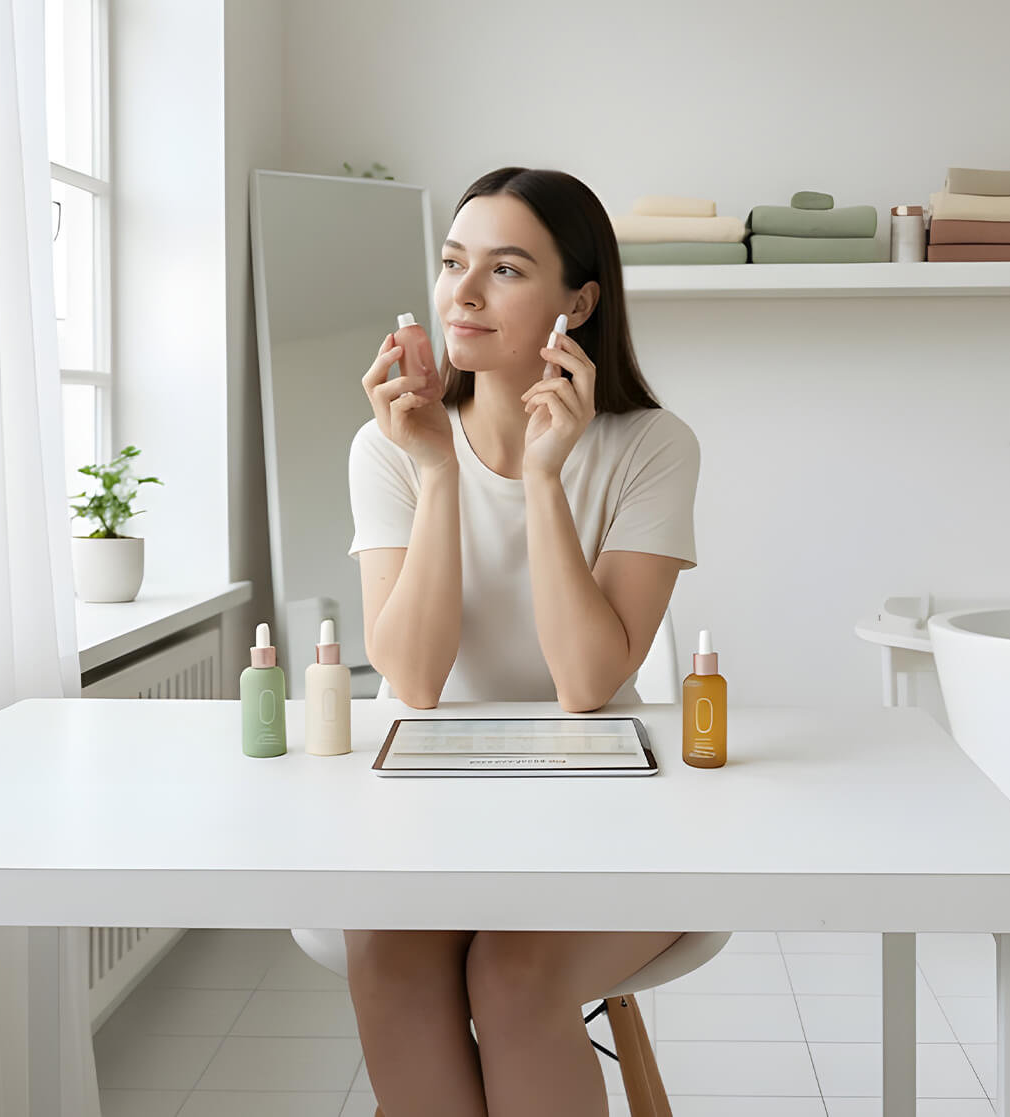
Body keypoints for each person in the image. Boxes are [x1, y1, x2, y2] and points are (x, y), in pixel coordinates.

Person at [342, 167, 701, 1116]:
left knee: (512, 973)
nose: (462, 293)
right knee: (388, 962)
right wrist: (437, 473)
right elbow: (414, 677)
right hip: (429, 806)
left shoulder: (651, 445)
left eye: (505, 268)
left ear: (576, 302)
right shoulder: (387, 446)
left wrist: (544, 479)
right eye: (454, 262)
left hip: (604, 810)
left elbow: (585, 683)